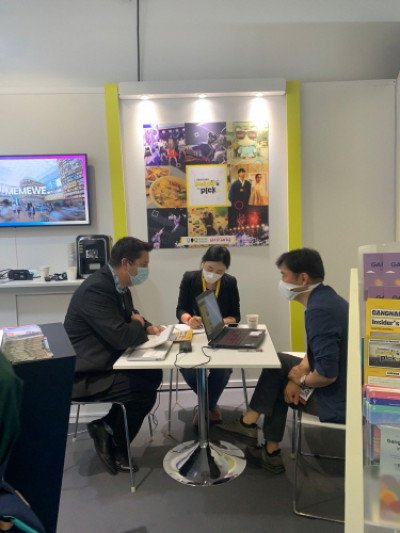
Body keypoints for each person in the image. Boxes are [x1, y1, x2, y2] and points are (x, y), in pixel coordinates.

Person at [218, 248, 348, 474]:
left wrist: (300, 381)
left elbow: (327, 375)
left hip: (335, 398)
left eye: (284, 275)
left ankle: (254, 430)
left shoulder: (320, 311)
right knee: (278, 364)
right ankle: (266, 446)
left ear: (303, 278)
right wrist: (301, 368)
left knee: (279, 380)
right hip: (339, 383)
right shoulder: (327, 298)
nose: (281, 281)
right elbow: (317, 352)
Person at [64, 236, 163, 475]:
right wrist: (137, 324)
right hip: (87, 372)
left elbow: (131, 315)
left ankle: (106, 427)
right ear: (127, 263)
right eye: (144, 264)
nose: (146, 270)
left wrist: (147, 325)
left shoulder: (118, 284)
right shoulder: (96, 289)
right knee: (143, 390)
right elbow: (122, 336)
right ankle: (118, 444)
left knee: (153, 374)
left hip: (108, 360)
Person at [176, 245, 240, 425]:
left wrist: (218, 321)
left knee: (223, 369)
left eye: (219, 271)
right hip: (192, 334)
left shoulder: (230, 282)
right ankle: (210, 406)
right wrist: (189, 319)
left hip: (219, 334)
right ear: (202, 263)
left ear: (225, 271)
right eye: (209, 268)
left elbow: (236, 316)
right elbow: (180, 309)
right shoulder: (190, 278)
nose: (213, 274)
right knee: (186, 366)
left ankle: (205, 407)